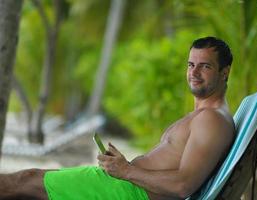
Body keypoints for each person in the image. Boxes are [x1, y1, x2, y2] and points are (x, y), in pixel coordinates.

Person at [0, 36, 235, 200]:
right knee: (24, 190)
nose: (193, 73)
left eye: (204, 66)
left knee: (23, 181)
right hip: (123, 187)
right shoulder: (204, 116)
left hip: (125, 192)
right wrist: (122, 167)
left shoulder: (211, 120)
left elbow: (183, 185)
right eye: (191, 64)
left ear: (224, 72)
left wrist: (126, 171)